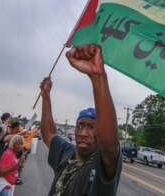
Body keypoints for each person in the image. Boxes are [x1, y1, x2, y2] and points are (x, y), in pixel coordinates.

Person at [41, 44, 122, 196]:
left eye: (92, 127)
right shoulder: (67, 153)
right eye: (80, 126)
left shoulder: (101, 164)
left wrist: (98, 77)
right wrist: (46, 97)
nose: (83, 133)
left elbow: (109, 146)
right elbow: (49, 135)